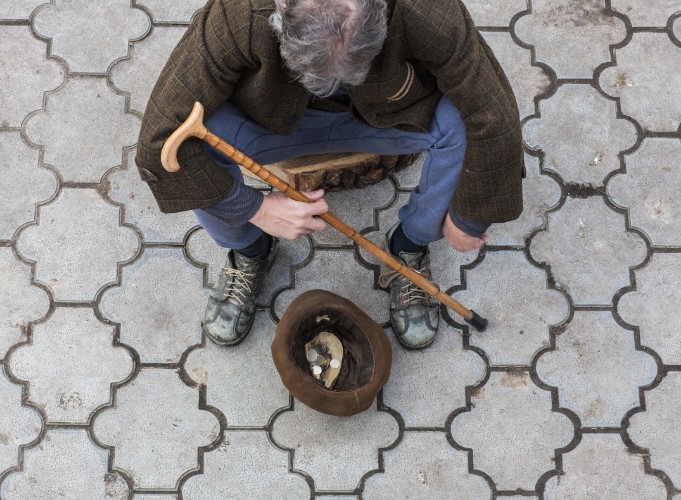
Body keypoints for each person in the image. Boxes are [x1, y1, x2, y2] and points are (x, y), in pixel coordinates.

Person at [136, 0, 524, 350]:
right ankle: (250, 251)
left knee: (460, 119)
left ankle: (411, 243)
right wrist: (254, 208)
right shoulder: (238, 11)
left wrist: (470, 218)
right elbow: (157, 142)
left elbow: (495, 114)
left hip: (386, 115)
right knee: (196, 140)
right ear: (282, 6)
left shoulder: (427, 10)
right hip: (269, 119)